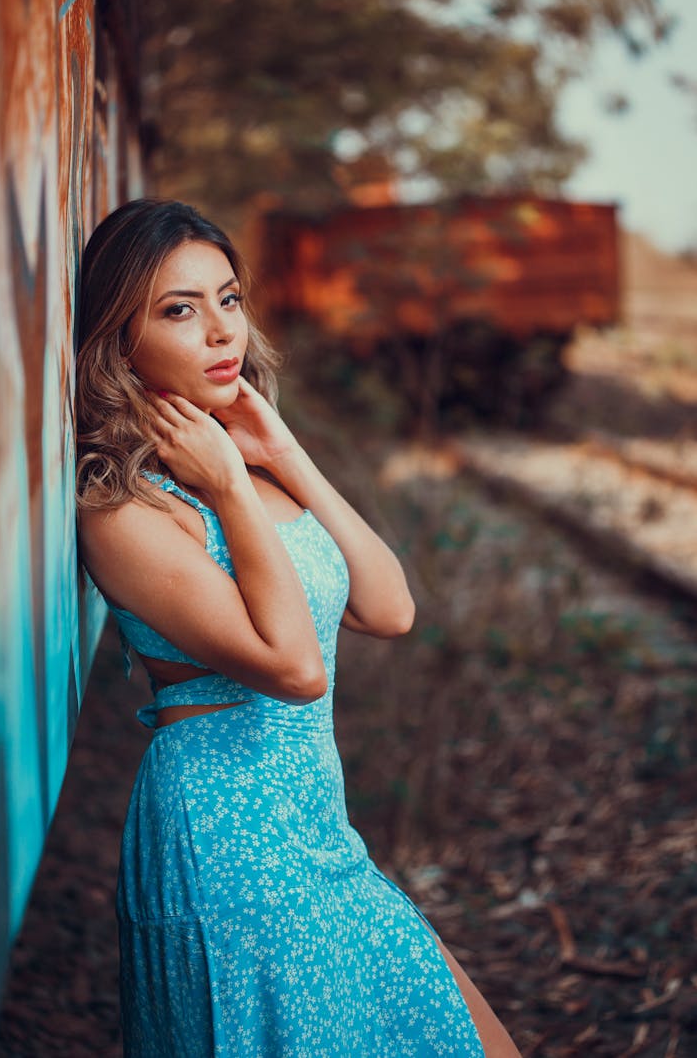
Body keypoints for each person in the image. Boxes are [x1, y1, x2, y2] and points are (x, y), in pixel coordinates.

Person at [75, 199, 521, 1057]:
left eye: (229, 298)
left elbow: (389, 607)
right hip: (225, 844)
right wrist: (232, 491)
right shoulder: (124, 507)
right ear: (119, 340)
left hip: (316, 830)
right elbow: (295, 666)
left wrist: (279, 452)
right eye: (180, 308)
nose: (219, 331)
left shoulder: (248, 464)